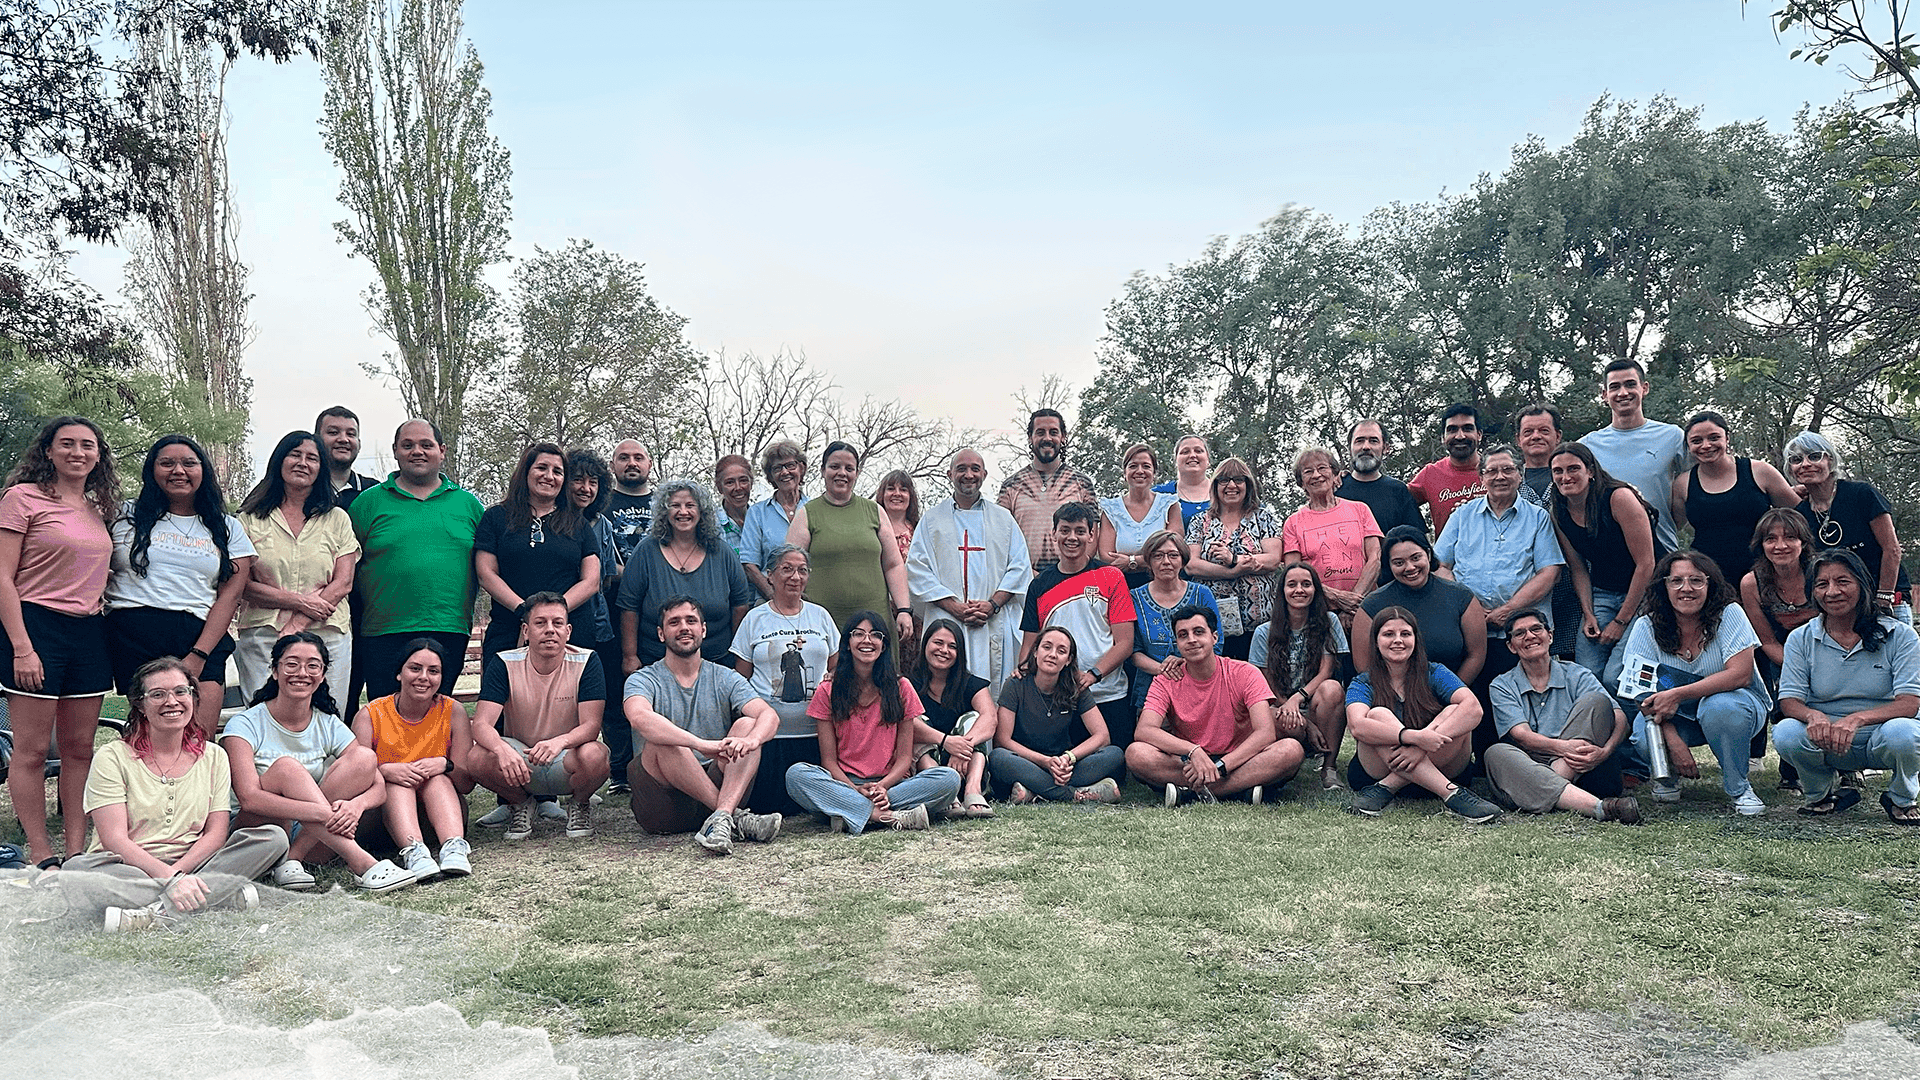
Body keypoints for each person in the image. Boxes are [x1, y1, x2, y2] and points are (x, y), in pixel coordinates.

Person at [72, 657, 290, 932]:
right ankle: (217, 896)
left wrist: (179, 875)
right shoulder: (112, 757)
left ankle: (156, 913)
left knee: (272, 838)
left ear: (193, 698)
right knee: (76, 872)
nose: (171, 701)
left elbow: (215, 834)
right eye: (157, 694)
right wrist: (171, 879)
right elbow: (114, 839)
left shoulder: (214, 756)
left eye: (180, 691)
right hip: (129, 867)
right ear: (140, 704)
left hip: (195, 862)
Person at [1, 417, 119, 868]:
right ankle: (40, 850)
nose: (77, 452)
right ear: (48, 450)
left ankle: (75, 849)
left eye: (87, 445)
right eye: (66, 444)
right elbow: (2, 577)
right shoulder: (21, 498)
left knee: (80, 749)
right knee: (31, 750)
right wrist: (22, 647)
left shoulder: (98, 508)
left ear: (98, 455)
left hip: (89, 631)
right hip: (36, 626)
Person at [222, 632, 414, 894]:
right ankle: (363, 863)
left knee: (365, 757)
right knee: (287, 768)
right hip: (259, 833)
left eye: (313, 665)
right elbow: (249, 799)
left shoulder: (328, 723)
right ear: (275, 671)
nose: (302, 672)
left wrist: (355, 806)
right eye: (292, 664)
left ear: (322, 675)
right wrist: (324, 814)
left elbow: (378, 786)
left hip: (312, 839)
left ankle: (292, 859)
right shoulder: (244, 725)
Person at [105, 434, 256, 735]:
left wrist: (198, 655)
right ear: (151, 470)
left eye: (189, 463)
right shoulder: (122, 514)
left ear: (203, 471)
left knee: (198, 741)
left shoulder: (227, 527)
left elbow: (230, 596)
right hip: (134, 634)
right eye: (167, 463)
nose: (178, 471)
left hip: (199, 635)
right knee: (149, 740)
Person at [623, 596, 783, 853]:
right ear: (661, 634)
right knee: (664, 741)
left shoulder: (725, 677)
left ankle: (721, 817)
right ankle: (734, 817)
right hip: (665, 804)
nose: (684, 627)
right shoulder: (643, 679)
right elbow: (639, 717)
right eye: (674, 622)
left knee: (747, 725)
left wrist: (751, 741)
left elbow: (768, 716)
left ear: (703, 630)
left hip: (721, 785)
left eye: (691, 621)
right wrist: (700, 744)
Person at [1617, 551, 1770, 815]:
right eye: (1676, 581)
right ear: (1664, 586)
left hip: (1735, 708)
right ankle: (1667, 778)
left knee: (1720, 707)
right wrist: (1673, 741)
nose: (1686, 588)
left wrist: (1677, 694)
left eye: (1696, 580)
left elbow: (1740, 674)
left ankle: (1739, 788)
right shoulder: (1646, 625)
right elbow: (1639, 692)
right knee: (1643, 732)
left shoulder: (1730, 614)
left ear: (1710, 585)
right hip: (1674, 717)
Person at [1434, 444, 1563, 755]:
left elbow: (1549, 572)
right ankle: (1475, 761)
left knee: (1519, 698)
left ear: (1520, 474)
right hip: (1469, 627)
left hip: (1519, 629)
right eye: (1491, 471)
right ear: (1481, 478)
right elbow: (1439, 566)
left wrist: (1508, 611)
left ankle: (1522, 759)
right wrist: (1471, 607)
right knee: (1471, 695)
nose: (1499, 476)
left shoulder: (1538, 518)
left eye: (1507, 469)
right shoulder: (1462, 515)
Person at [1775, 548, 1920, 824]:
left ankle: (1901, 798)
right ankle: (1821, 794)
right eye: (1822, 584)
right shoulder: (1800, 638)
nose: (1832, 592)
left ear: (1862, 585)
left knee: (1906, 733)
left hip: (1882, 735)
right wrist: (1813, 716)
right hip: (1826, 737)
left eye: (1843, 581)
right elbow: (1789, 701)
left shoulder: (1901, 635)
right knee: (1786, 732)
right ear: (1812, 592)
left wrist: (1856, 720)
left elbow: (1909, 704)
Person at [785, 610, 962, 832]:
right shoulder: (828, 690)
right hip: (844, 783)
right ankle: (884, 816)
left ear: (884, 645)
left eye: (875, 635)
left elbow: (904, 757)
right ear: (847, 644)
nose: (867, 640)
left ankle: (850, 812)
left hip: (892, 785)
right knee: (796, 775)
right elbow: (829, 761)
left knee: (949, 779)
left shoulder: (901, 687)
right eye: (858, 634)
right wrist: (853, 789)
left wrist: (882, 787)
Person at [349, 419, 485, 699]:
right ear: (395, 451)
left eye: (426, 445)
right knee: (385, 716)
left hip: (449, 627)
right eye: (408, 445)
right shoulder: (367, 503)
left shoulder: (469, 505)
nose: (417, 452)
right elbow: (345, 565)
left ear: (442, 451)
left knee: (439, 714)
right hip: (382, 631)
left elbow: (489, 567)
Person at [466, 593, 611, 841]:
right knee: (477, 757)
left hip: (565, 756)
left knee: (596, 755)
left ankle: (579, 803)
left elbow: (591, 726)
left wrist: (560, 741)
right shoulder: (503, 662)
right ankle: (521, 804)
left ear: (568, 631)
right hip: (521, 759)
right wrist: (501, 750)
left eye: (557, 623)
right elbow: (481, 724)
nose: (550, 630)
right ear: (526, 631)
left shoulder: (587, 661)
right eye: (540, 623)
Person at [1128, 605, 1302, 804]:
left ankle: (1193, 792)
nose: (1191, 640)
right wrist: (1193, 750)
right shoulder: (1166, 680)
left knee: (1291, 750)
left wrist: (1220, 767)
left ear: (1215, 637)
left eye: (1199, 632)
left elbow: (1265, 733)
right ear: (1177, 644)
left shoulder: (1245, 672)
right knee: (1136, 754)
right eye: (1183, 635)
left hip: (1240, 759)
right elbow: (1145, 730)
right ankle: (1239, 789)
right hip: (1189, 762)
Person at [235, 431, 359, 704]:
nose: (303, 463)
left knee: (327, 716)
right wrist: (300, 602)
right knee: (263, 715)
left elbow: (343, 582)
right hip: (264, 634)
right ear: (279, 461)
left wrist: (297, 623)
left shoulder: (337, 518)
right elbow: (242, 585)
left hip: (328, 633)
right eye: (295, 455)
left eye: (312, 458)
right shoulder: (249, 519)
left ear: (321, 468)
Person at [1344, 607, 1502, 822]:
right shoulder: (1363, 681)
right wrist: (1415, 738)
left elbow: (1474, 709)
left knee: (1455, 711)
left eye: (1405, 634)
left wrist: (1421, 747)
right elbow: (1357, 726)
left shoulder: (1434, 671)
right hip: (1378, 770)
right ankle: (1452, 794)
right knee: (1377, 715)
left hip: (1442, 766)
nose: (1398, 640)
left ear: (1416, 640)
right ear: (1376, 642)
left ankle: (1388, 786)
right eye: (1388, 634)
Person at [1483, 610, 1640, 823]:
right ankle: (1599, 807)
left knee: (1597, 701)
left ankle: (1543, 788)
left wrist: (1605, 752)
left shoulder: (1578, 674)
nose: (1529, 636)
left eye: (1536, 629)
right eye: (1520, 633)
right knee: (1495, 753)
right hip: (1530, 762)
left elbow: (1619, 717)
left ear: (1550, 636)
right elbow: (1522, 736)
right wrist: (1564, 748)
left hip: (1583, 765)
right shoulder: (1502, 685)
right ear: (1511, 646)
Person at [907, 447, 1032, 696]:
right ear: (949, 474)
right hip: (947, 618)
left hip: (991, 620)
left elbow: (1020, 567)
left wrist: (992, 605)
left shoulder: (1004, 519)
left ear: (984, 474)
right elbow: (917, 570)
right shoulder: (932, 520)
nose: (968, 475)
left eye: (975, 469)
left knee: (995, 692)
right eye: (961, 469)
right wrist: (954, 607)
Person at [730, 545, 840, 817]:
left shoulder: (820, 616)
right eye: (787, 569)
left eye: (802, 570)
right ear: (770, 575)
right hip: (771, 738)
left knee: (812, 809)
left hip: (816, 735)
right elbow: (741, 678)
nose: (795, 577)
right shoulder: (754, 619)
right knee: (770, 806)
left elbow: (837, 665)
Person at [350, 639, 474, 880]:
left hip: (437, 815)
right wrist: (385, 771)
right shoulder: (370, 714)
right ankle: (414, 853)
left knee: (438, 778)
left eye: (433, 671)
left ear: (441, 678)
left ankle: (454, 847)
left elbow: (466, 784)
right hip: (381, 817)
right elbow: (353, 779)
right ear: (399, 673)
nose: (423, 677)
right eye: (415, 668)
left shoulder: (453, 711)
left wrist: (444, 765)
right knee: (398, 781)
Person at [474, 442, 602, 672]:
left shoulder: (578, 524)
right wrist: (525, 612)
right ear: (526, 472)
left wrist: (552, 616)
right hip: (509, 629)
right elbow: (486, 574)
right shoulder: (496, 517)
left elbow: (591, 581)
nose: (549, 476)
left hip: (569, 633)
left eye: (558, 471)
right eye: (542, 468)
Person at [1020, 502, 1138, 746]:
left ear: (1092, 535)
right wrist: (1022, 675)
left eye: (1080, 531)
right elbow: (1030, 645)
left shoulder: (1111, 576)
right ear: (1054, 534)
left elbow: (1125, 642)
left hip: (1108, 694)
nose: (1072, 537)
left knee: (1113, 759)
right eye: (1065, 530)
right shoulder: (1039, 585)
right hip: (1057, 696)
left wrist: (1093, 674)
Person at [619, 479, 756, 683]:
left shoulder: (722, 552)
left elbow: (740, 604)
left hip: (717, 662)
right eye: (675, 505)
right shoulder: (646, 551)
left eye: (690, 505)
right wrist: (630, 656)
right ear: (664, 511)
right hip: (656, 664)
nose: (683, 512)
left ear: (702, 512)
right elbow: (629, 606)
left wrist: (739, 656)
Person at [1547, 442, 1658, 689]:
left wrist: (1621, 621)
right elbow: (1578, 568)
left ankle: (1632, 714)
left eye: (1573, 468)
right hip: (1603, 591)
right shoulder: (1559, 512)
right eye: (1558, 471)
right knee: (1587, 673)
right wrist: (1588, 614)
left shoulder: (1618, 498)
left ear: (1590, 471)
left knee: (1616, 675)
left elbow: (1646, 563)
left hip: (1647, 591)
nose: (1565, 477)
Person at [785, 442, 913, 641]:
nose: (842, 473)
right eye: (834, 466)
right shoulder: (807, 514)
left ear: (857, 473)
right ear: (823, 470)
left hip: (874, 623)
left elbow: (893, 565)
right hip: (821, 624)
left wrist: (904, 610)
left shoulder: (875, 511)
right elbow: (789, 568)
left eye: (849, 468)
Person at [1785, 429, 1913, 624]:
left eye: (1814, 456)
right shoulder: (1800, 514)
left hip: (1887, 604)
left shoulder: (1861, 495)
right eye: (1796, 460)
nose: (1805, 464)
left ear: (1830, 461)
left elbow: (1892, 549)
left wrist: (1883, 599)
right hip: (1839, 612)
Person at [990, 626, 1125, 803]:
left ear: (1068, 660)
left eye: (1061, 651)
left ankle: (1034, 791)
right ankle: (1074, 795)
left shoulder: (1075, 687)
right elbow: (1002, 740)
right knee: (998, 757)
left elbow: (1102, 736)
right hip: (1026, 761)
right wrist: (1044, 761)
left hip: (1063, 764)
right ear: (1035, 652)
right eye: (1047, 647)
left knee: (1114, 754)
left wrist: (1068, 758)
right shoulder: (1015, 684)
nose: (1052, 654)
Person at [1669, 411, 1798, 591]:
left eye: (1714, 438)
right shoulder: (1682, 484)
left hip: (1762, 575)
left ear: (1727, 438)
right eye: (1697, 441)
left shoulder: (1760, 472)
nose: (1706, 445)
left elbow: (1799, 515)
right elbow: (1672, 526)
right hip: (1709, 580)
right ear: (1688, 446)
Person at [1739, 507, 1819, 792]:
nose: (1780, 545)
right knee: (1787, 702)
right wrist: (1797, 669)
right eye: (1770, 539)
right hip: (1780, 651)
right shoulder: (1752, 582)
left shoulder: (1821, 572)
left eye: (1790, 538)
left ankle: (1845, 769)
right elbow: (1767, 640)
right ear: (1761, 544)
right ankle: (1790, 774)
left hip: (1826, 648)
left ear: (1803, 542)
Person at [1250, 563, 1349, 789]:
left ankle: (1329, 767)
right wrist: (1299, 717)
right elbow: (1266, 685)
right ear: (1282, 591)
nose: (1299, 590)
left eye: (1306, 584)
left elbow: (1326, 671)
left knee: (1333, 688)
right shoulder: (1263, 632)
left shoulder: (1330, 621)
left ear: (1315, 590)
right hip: (1282, 708)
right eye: (1291, 584)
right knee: (1271, 716)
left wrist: (1298, 699)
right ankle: (1289, 760)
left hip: (1315, 705)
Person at [1353, 527, 1488, 692]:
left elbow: (1476, 655)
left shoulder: (1461, 597)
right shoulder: (1372, 605)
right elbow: (1364, 666)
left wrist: (1450, 692)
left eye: (1416, 558)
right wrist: (1397, 697)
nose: (1410, 567)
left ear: (1428, 555)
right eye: (1399, 563)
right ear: (1389, 565)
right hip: (1391, 698)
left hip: (1453, 696)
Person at [1580, 358, 1687, 552]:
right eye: (1615, 387)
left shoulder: (1673, 436)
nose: (1623, 393)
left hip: (1663, 550)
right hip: (1609, 555)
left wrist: (1668, 522)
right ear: (1605, 395)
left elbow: (1693, 488)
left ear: (1644, 388)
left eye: (1630, 384)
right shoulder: (1586, 446)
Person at [1183, 456, 1284, 660]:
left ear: (1248, 485)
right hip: (1212, 624)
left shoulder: (1263, 517)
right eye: (1224, 480)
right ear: (1215, 486)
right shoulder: (1200, 521)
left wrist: (1234, 559)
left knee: (1259, 674)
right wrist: (1231, 572)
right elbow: (1191, 565)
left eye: (1238, 480)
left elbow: (1273, 559)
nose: (1231, 486)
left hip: (1260, 623)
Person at [567, 448, 626, 790]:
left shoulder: (602, 523)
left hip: (599, 621)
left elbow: (609, 573)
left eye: (593, 482)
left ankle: (619, 772)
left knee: (608, 695)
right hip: (560, 622)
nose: (585, 488)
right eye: (578, 480)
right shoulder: (552, 520)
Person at [907, 618, 996, 817]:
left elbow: (990, 719)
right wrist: (947, 741)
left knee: (974, 718)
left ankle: (973, 789)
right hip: (926, 767)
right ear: (925, 644)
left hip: (966, 765)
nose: (944, 650)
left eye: (952, 646)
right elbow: (904, 725)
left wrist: (962, 747)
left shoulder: (971, 684)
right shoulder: (908, 684)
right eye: (938, 643)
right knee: (913, 720)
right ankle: (946, 794)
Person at [1512, 404, 1581, 658]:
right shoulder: (1508, 483)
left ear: (1558, 436)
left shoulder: (1574, 478)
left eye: (1544, 430)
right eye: (1528, 432)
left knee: (1573, 657)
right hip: (1526, 586)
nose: (1536, 437)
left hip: (1575, 584)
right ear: (1518, 439)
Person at [1282, 445, 1382, 621]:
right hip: (1319, 612)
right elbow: (1294, 573)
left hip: (1365, 606)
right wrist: (1338, 598)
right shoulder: (1293, 522)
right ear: (1301, 482)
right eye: (1308, 471)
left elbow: (1375, 558)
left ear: (1335, 474)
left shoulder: (1360, 510)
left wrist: (1353, 602)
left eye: (1322, 468)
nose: (1316, 475)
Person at [1129, 530, 1223, 712]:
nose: (1166, 562)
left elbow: (1217, 643)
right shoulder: (1134, 598)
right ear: (1148, 561)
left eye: (1173, 555)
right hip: (1152, 689)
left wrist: (1185, 664)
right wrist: (1164, 669)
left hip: (1200, 687)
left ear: (1183, 559)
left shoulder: (1202, 594)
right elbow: (1132, 651)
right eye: (1158, 556)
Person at [997, 408, 1100, 571]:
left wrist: (1074, 572)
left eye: (1053, 432)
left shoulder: (1082, 483)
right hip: (1025, 578)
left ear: (1063, 437)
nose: (1047, 438)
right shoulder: (1011, 485)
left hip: (1073, 577)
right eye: (1040, 432)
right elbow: (1000, 536)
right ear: (1030, 437)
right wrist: (1026, 574)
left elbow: (1093, 533)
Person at [1098, 442, 1181, 589]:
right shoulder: (1111, 509)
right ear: (1124, 473)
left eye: (1146, 466)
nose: (1140, 471)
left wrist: (1131, 561)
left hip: (1164, 585)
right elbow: (1106, 556)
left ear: (1154, 473)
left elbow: (1175, 549)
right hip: (1120, 586)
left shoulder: (1169, 505)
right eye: (1133, 466)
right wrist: (1153, 558)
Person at [1336, 419, 1424, 546]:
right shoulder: (1336, 489)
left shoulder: (1398, 490)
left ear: (1385, 448)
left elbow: (1417, 541)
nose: (1366, 447)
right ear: (1349, 448)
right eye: (1359, 441)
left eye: (1373, 441)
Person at [741, 440, 807, 600]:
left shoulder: (815, 509)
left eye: (790, 465)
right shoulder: (757, 513)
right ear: (770, 475)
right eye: (777, 468)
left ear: (801, 468)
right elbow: (749, 564)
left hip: (810, 600)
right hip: (768, 599)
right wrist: (774, 596)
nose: (785, 472)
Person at [1408, 404, 1486, 536]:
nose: (1460, 436)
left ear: (1479, 435)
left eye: (1467, 429)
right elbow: (1397, 504)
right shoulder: (1430, 474)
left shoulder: (1497, 471)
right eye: (1452, 430)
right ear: (1443, 438)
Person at [314, 406, 380, 508]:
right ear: (315, 440)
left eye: (350, 434)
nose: (343, 439)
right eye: (333, 432)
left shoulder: (375, 491)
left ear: (359, 444)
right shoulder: (302, 488)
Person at [604, 439, 656, 560]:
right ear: (612, 466)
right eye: (624, 458)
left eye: (638, 458)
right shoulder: (599, 504)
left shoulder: (667, 504)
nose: (632, 463)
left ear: (649, 465)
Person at [1155, 434, 1213, 530]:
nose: (1192, 455)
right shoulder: (1159, 494)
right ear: (1175, 461)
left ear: (1208, 460)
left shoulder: (1224, 492)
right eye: (1185, 452)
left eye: (1198, 451)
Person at [874, 469, 921, 562]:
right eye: (891, 489)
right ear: (882, 495)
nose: (897, 494)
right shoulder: (872, 528)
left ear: (910, 496)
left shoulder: (919, 531)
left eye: (903, 490)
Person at [715, 454, 754, 557]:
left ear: (751, 483)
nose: (738, 488)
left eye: (743, 480)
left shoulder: (761, 520)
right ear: (719, 488)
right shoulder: (710, 526)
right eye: (730, 482)